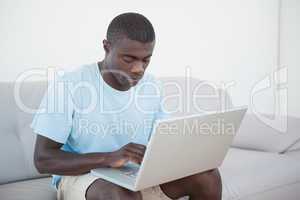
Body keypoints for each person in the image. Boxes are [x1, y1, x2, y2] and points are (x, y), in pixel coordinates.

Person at [31, 12, 222, 200]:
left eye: (146, 60)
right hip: (84, 177)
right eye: (128, 59)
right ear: (107, 47)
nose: (138, 69)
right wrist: (108, 158)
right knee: (118, 194)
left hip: (134, 176)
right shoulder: (69, 85)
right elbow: (43, 159)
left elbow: (161, 143)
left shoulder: (152, 85)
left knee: (208, 177)